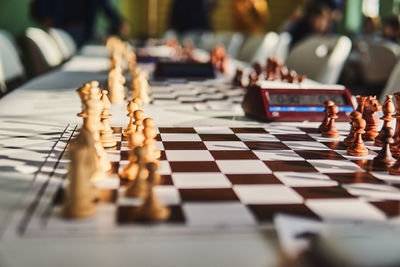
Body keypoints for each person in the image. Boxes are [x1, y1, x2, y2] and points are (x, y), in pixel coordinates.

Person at [30, 0, 130, 47]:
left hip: (85, 29)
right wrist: (44, 17)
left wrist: (118, 22)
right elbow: (37, 6)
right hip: (60, 28)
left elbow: (104, 4)